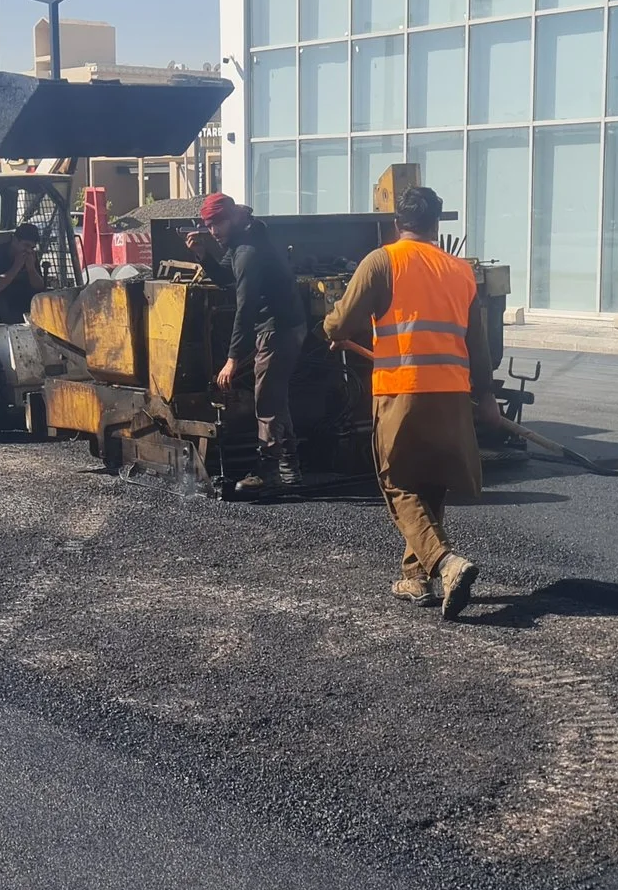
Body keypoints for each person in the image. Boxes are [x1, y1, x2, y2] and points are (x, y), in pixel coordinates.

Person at [322, 184, 500, 618]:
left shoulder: (382, 261)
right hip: (453, 394)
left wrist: (331, 326)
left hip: (403, 390)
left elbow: (340, 321)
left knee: (398, 481)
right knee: (430, 481)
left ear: (396, 222)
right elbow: (478, 345)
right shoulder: (460, 271)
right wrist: (488, 396)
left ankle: (445, 563)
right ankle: (415, 577)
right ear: (437, 224)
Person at [192, 194, 307, 493]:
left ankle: (268, 473)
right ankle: (290, 469)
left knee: (267, 399)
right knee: (276, 395)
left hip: (276, 329)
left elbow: (244, 308)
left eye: (217, 223)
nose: (213, 230)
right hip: (286, 325)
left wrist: (232, 358)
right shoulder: (245, 237)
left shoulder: (247, 251)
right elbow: (226, 279)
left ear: (230, 218)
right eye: (208, 225)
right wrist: (203, 255)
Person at [0, 221, 48, 324]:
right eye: (25, 245)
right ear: (15, 240)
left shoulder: (31, 256)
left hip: (25, 299)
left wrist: (31, 269)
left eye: (32, 247)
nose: (28, 250)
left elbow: (39, 287)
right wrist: (16, 267)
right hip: (2, 302)